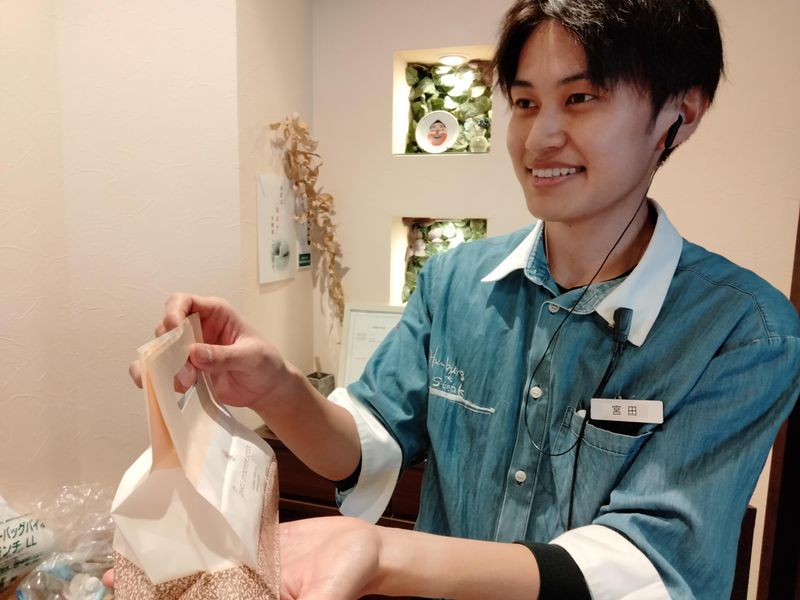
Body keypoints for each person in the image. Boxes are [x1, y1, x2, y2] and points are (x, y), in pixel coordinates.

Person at [115, 0, 800, 598]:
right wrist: (276, 388)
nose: (540, 137)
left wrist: (382, 552)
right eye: (525, 103)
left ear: (680, 113)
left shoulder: (745, 332)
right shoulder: (454, 282)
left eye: (581, 98)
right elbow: (363, 448)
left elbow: (644, 560)